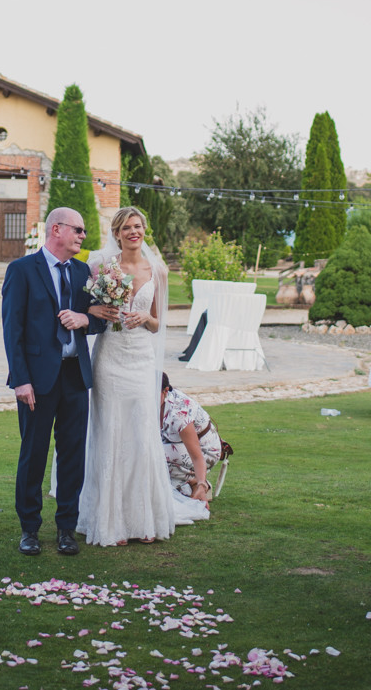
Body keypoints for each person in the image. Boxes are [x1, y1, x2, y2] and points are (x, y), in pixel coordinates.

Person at [1, 206, 105, 557]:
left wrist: (84, 318)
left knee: (73, 455)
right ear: (56, 230)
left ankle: (66, 529)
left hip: (75, 376)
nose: (82, 236)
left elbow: (102, 319)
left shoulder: (83, 272)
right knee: (33, 454)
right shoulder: (21, 270)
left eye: (83, 231)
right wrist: (20, 380)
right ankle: (29, 529)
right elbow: (12, 330)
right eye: (78, 230)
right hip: (36, 382)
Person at [78, 207, 179, 547]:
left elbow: (157, 323)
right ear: (117, 233)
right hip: (109, 357)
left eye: (137, 227)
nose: (133, 232)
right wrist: (95, 310)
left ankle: (143, 520)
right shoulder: (103, 267)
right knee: (110, 435)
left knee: (140, 434)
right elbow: (83, 308)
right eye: (126, 228)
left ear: (144, 230)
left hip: (139, 360)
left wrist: (142, 318)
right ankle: (112, 522)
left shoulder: (158, 271)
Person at [160, 374, 221, 505]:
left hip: (206, 451)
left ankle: (196, 483)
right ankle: (184, 485)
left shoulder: (179, 414)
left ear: (165, 391)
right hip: (177, 446)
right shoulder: (153, 404)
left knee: (153, 454)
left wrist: (201, 485)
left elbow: (197, 456)